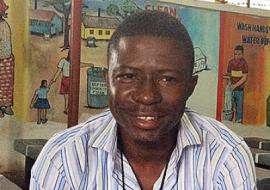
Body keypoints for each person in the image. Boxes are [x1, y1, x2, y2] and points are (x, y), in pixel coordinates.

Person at [30, 10, 256, 190]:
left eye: (167, 79)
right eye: (128, 76)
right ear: (108, 80)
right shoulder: (64, 159)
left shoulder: (225, 156)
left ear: (190, 86)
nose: (147, 96)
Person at [0, 0, 15, 117]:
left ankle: (6, 105)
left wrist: (9, 57)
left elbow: (6, 43)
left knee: (6, 85)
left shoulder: (4, 25)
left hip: (6, 59)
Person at [226, 45, 248, 123]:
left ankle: (238, 126)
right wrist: (229, 85)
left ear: (242, 54)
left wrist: (235, 86)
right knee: (228, 108)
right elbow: (228, 75)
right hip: (230, 90)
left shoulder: (244, 63)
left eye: (239, 54)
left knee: (239, 109)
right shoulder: (231, 62)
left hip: (239, 90)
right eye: (235, 54)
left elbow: (244, 78)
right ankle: (227, 124)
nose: (237, 56)